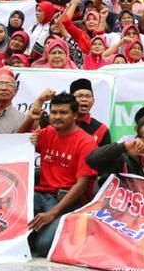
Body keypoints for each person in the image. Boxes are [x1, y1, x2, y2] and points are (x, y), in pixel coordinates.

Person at [29, 92, 98, 257]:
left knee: (44, 247)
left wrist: (52, 214)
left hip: (67, 200)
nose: (57, 117)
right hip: (40, 195)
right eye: (54, 112)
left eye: (63, 112)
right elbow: (17, 141)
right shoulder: (46, 132)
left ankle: (49, 231)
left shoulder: (86, 142)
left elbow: (82, 185)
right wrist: (29, 121)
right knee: (10, 221)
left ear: (75, 115)